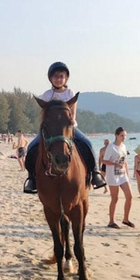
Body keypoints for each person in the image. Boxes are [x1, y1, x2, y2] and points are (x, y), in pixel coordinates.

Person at [23, 62, 107, 193]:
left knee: (87, 143)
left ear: (66, 78)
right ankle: (32, 178)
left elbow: (73, 112)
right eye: (56, 76)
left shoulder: (70, 93)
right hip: (50, 130)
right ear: (50, 78)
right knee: (32, 146)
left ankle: (95, 173)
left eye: (61, 76)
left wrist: (71, 121)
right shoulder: (46, 95)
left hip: (68, 128)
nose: (58, 79)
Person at [103, 127, 134, 228]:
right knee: (115, 198)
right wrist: (115, 163)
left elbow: (125, 161)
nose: (124, 137)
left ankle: (126, 219)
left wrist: (128, 175)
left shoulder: (124, 146)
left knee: (129, 196)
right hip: (113, 175)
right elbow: (104, 160)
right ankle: (111, 221)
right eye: (122, 135)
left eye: (125, 135)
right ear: (116, 135)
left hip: (122, 175)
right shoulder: (111, 147)